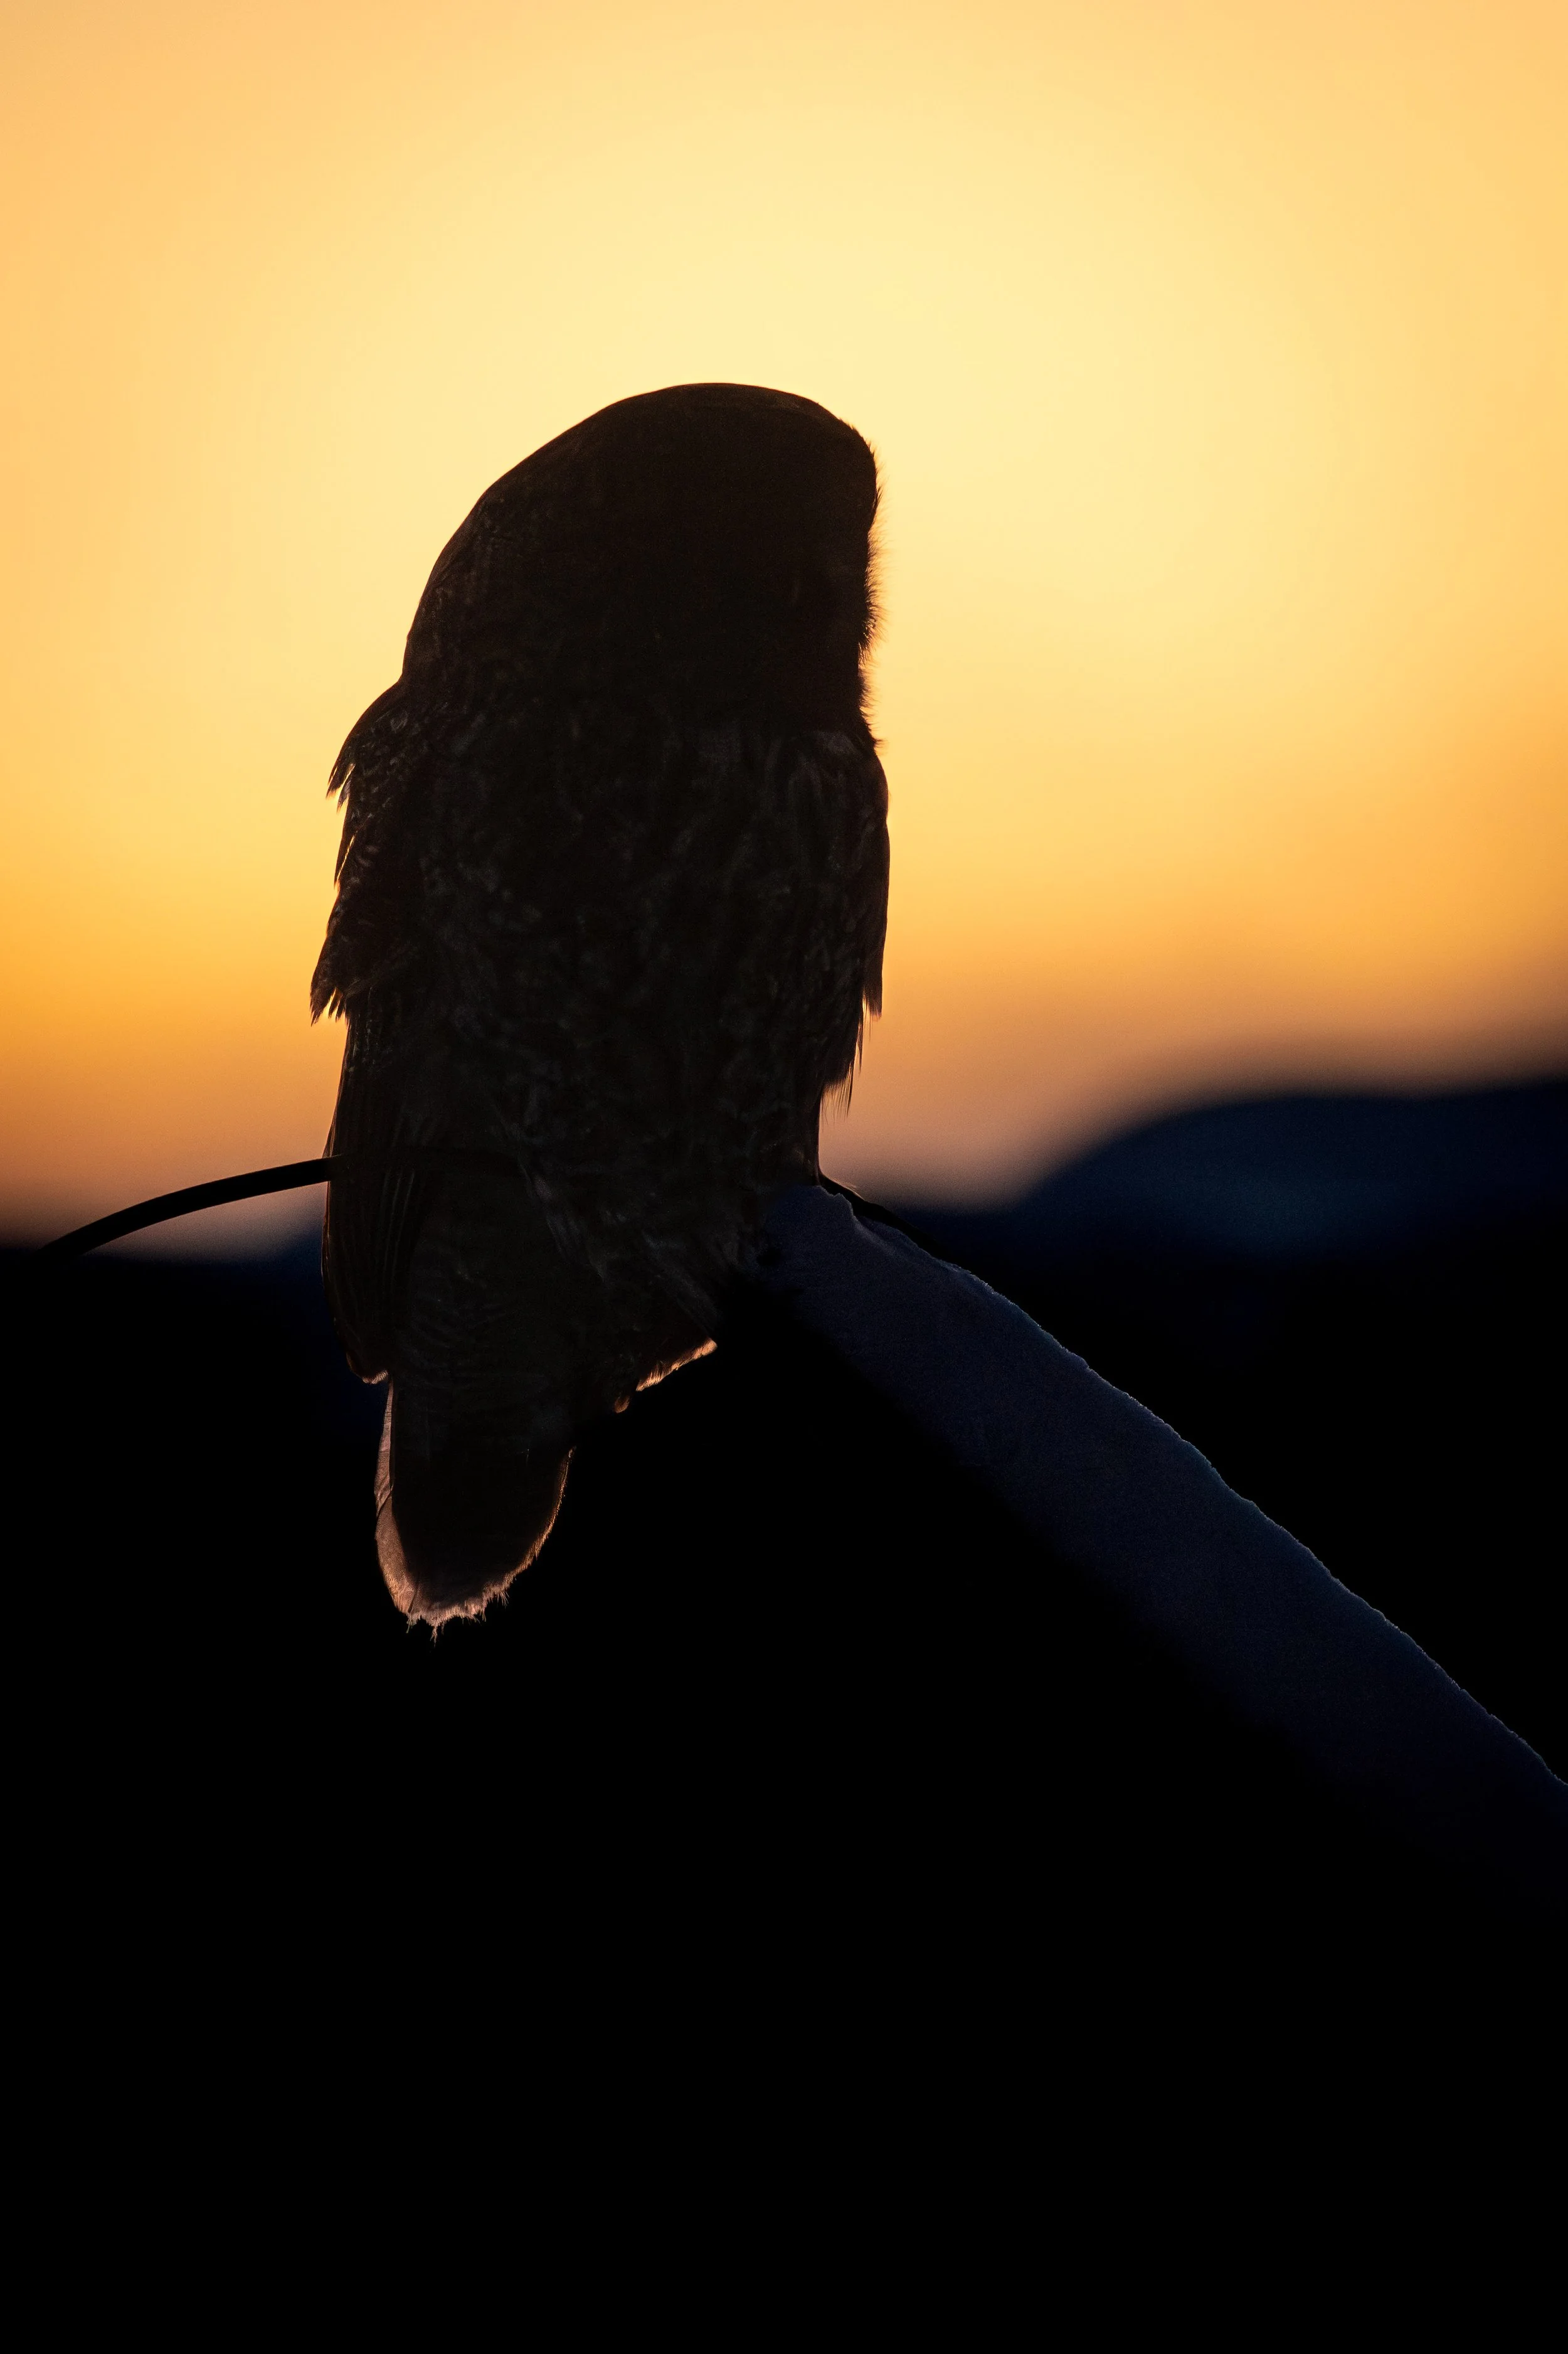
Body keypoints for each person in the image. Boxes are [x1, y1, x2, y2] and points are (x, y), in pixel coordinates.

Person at [301, 382, 1562, 1919]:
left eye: (837, 586)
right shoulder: (487, 756)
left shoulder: (827, 788)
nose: (830, 624)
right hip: (494, 1222)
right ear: (660, 578)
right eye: (782, 588)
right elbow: (426, 1084)